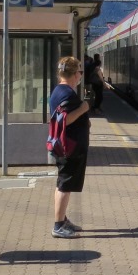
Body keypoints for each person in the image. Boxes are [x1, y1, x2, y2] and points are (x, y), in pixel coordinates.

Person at [48, 56, 91, 239]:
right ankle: (58, 225)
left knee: (64, 183)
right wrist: (83, 109)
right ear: (74, 74)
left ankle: (63, 219)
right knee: (64, 184)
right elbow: (64, 119)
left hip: (67, 145)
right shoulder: (66, 94)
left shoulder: (60, 90)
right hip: (69, 147)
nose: (81, 74)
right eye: (80, 71)